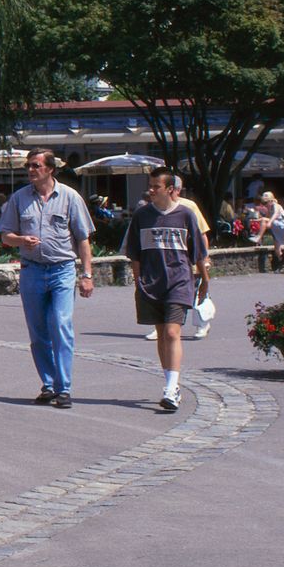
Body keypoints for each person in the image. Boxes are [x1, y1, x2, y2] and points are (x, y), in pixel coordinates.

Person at [0, 149, 96, 409]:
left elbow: (83, 238)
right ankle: (49, 385)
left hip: (62, 269)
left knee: (61, 324)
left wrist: (87, 275)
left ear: (50, 169)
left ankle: (64, 388)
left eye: (36, 165)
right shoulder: (19, 199)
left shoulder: (70, 197)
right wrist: (20, 240)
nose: (30, 170)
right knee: (38, 333)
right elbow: (5, 234)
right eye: (28, 165)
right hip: (32, 271)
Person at [122, 171, 211, 413]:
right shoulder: (142, 215)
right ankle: (171, 382)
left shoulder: (185, 214)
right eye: (150, 186)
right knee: (162, 333)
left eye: (156, 187)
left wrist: (204, 280)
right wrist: (138, 281)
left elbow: (199, 253)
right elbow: (135, 254)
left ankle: (171, 389)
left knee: (172, 332)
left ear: (171, 189)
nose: (151, 190)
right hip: (151, 282)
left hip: (179, 280)